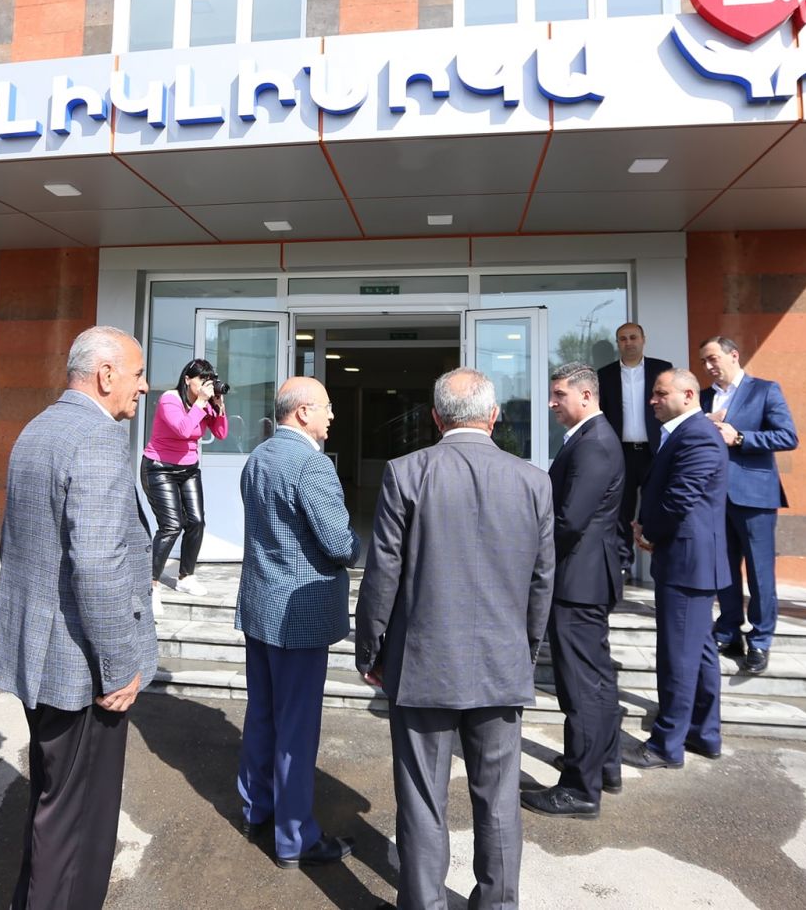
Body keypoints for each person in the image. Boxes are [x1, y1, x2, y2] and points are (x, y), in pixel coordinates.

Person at [355, 368, 555, 910]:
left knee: (423, 798)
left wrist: (370, 650)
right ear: (494, 417)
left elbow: (382, 573)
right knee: (499, 800)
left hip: (423, 664)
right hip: (501, 662)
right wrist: (525, 652)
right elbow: (542, 581)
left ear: (436, 418)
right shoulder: (533, 481)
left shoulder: (406, 472)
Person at [0, 326, 158, 910]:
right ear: (105, 375)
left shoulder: (38, 428)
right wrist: (119, 667)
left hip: (42, 653)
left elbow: (16, 541)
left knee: (53, 802)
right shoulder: (97, 438)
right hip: (83, 666)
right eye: (137, 374)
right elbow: (99, 564)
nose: (144, 387)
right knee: (78, 820)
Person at [234, 376, 361, 868]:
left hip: (261, 608)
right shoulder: (312, 464)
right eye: (326, 407)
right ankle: (295, 838)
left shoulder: (258, 457)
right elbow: (339, 544)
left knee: (262, 715)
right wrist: (358, 546)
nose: (332, 416)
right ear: (303, 412)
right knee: (297, 728)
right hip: (299, 617)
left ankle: (256, 809)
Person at [521, 361, 626, 819]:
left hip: (579, 583)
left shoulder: (594, 444)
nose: (551, 403)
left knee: (581, 686)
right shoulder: (587, 438)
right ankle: (603, 766)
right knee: (595, 680)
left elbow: (568, 522)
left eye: (559, 394)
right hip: (584, 579)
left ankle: (580, 789)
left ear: (586, 395)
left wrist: (527, 555)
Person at [628, 369, 730, 770]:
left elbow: (679, 499)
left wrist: (650, 533)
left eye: (660, 393)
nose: (652, 400)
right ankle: (704, 734)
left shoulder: (697, 435)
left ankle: (666, 745)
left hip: (687, 563)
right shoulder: (684, 433)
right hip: (688, 562)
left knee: (678, 657)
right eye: (653, 393)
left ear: (689, 395)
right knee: (698, 652)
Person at [697, 336, 799, 675]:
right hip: (715, 497)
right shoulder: (704, 398)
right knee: (723, 568)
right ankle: (728, 631)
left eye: (713, 358)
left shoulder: (765, 390)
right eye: (704, 361)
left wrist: (740, 437)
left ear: (734, 356)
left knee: (759, 572)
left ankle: (760, 639)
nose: (708, 366)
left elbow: (788, 436)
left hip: (755, 497)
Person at [143, 358, 229, 612]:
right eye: (202, 379)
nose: (206, 385)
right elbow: (183, 429)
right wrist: (201, 403)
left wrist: (219, 407)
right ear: (187, 379)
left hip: (189, 469)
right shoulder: (170, 399)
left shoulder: (204, 403)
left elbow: (221, 433)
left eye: (209, 380)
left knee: (196, 521)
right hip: (160, 468)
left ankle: (186, 577)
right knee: (171, 525)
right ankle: (150, 585)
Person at [598, 322, 672, 582]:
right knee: (621, 511)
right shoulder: (605, 375)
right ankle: (622, 565)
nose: (628, 342)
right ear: (617, 343)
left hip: (654, 452)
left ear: (643, 339)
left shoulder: (662, 370)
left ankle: (660, 562)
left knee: (655, 506)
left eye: (633, 337)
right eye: (623, 338)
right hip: (621, 453)